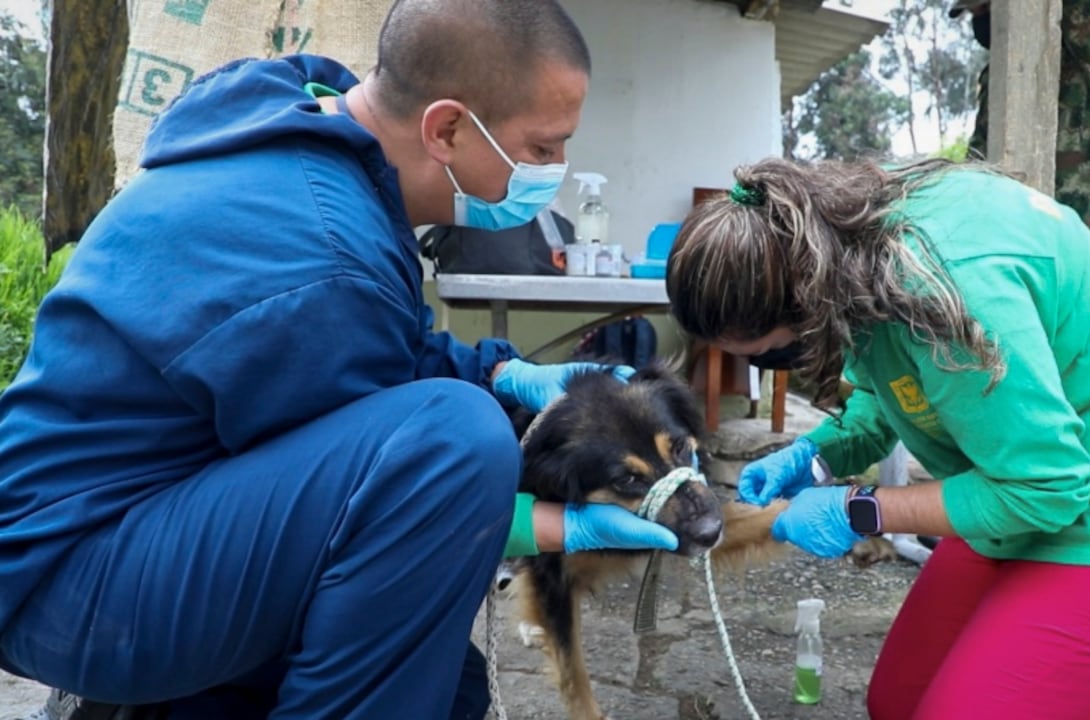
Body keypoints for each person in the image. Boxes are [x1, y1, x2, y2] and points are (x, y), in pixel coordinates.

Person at [0, 1, 681, 718]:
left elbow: (385, 362)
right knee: (458, 442)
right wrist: (552, 525)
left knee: (448, 689)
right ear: (447, 129)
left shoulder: (308, 132)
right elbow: (399, 487)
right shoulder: (326, 259)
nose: (555, 172)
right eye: (542, 149)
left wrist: (505, 375)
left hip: (100, 526)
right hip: (73, 583)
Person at [664, 156, 1090, 720]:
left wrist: (859, 509)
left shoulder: (951, 288)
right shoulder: (844, 244)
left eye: (770, 354)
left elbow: (1043, 491)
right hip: (1026, 487)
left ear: (805, 306)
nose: (777, 365)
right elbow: (896, 384)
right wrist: (818, 454)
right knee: (897, 705)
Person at [951, 0, 1090, 275]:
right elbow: (978, 163)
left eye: (986, 8)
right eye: (975, 14)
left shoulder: (1089, 45)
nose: (982, 21)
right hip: (1034, 245)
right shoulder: (1001, 74)